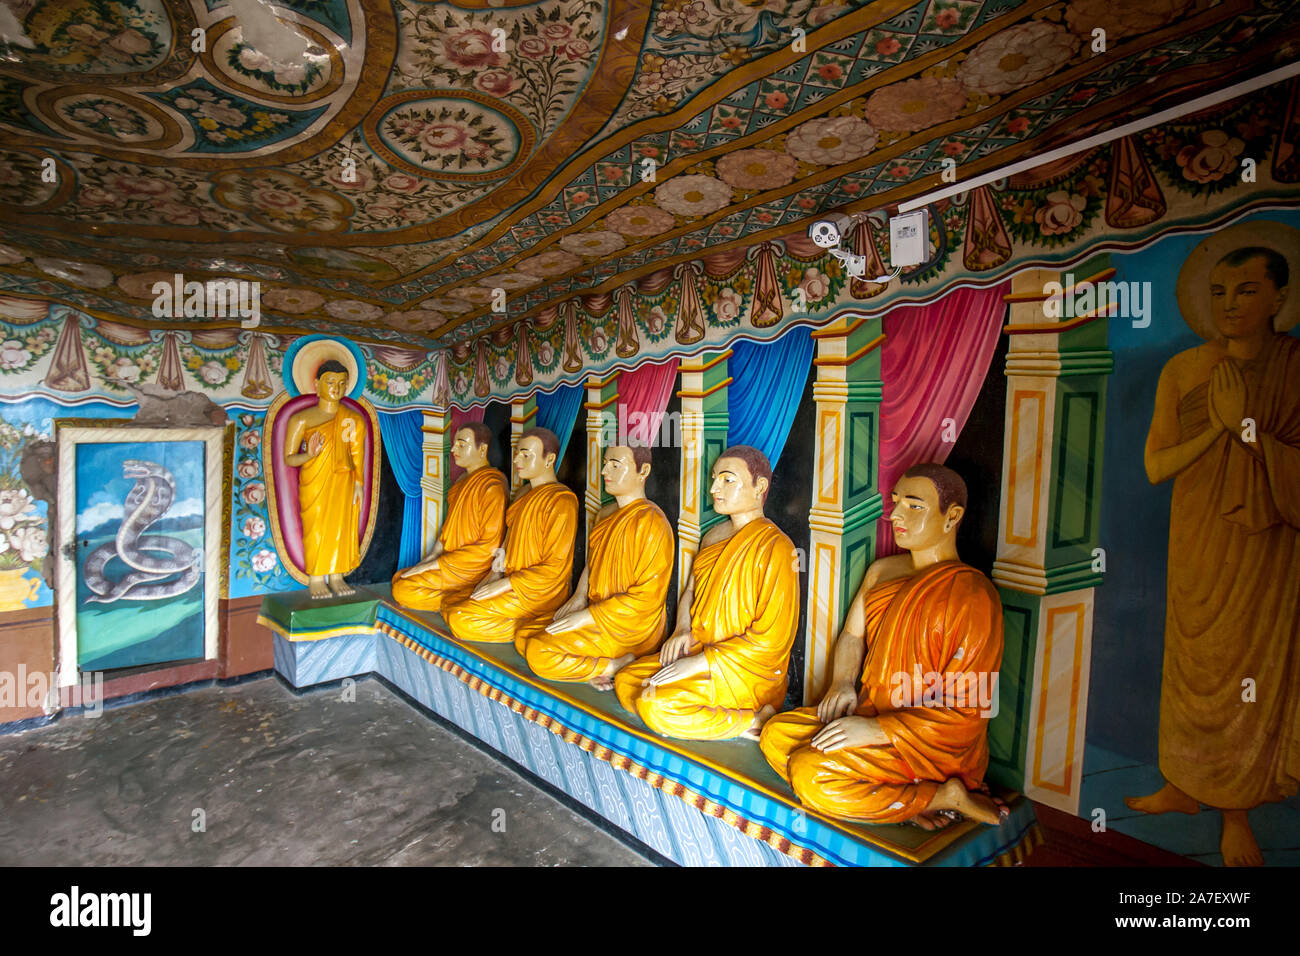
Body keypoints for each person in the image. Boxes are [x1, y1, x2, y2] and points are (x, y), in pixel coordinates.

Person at [1126, 240, 1300, 866]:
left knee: (1245, 669)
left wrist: (1249, 426)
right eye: (1220, 293)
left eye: (1247, 290)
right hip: (1196, 537)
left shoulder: (1295, 369)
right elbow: (1155, 464)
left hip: (1265, 546)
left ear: (1280, 296)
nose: (1230, 305)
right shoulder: (1186, 369)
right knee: (1191, 661)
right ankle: (1182, 784)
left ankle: (1236, 813)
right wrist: (1221, 427)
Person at [760, 464, 1007, 829]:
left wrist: (879, 731)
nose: (896, 515)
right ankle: (915, 801)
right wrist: (843, 682)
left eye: (914, 506)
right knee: (776, 735)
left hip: (926, 743)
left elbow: (968, 710)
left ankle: (942, 792)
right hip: (870, 712)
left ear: (952, 516)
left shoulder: (973, 595)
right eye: (895, 503)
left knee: (809, 773)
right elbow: (853, 635)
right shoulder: (883, 571)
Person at [614, 445, 798, 741]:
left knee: (654, 704)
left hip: (741, 667)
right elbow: (691, 589)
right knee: (627, 682)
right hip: (697, 646)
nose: (714, 488)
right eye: (714, 478)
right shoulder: (713, 535)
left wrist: (702, 662)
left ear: (759, 486)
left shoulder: (777, 547)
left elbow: (772, 641)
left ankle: (749, 718)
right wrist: (682, 629)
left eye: (727, 480)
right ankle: (717, 715)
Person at [523, 443, 674, 689]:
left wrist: (587, 616)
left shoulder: (652, 522)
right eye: (605, 463)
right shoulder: (605, 514)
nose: (605, 471)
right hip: (596, 611)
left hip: (627, 626)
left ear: (643, 471)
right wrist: (580, 596)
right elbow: (594, 563)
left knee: (539, 651)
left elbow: (647, 598)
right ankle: (597, 665)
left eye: (615, 465)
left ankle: (611, 665)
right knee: (525, 635)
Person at [443, 427, 578, 646]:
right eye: (517, 453)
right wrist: (495, 573)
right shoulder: (524, 494)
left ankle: (528, 624)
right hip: (513, 582)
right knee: (450, 603)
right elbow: (509, 541)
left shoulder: (562, 501)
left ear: (549, 459)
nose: (517, 459)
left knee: (461, 618)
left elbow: (554, 568)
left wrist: (502, 585)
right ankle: (524, 624)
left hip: (538, 590)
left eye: (526, 454)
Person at [391, 423, 507, 612]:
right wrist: (429, 559)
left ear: (483, 449)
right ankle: (460, 598)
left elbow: (488, 547)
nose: (454, 449)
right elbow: (448, 530)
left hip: (470, 565)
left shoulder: (492, 486)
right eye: (454, 444)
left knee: (404, 589)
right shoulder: (462, 482)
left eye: (462, 444)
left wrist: (436, 564)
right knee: (400, 578)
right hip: (450, 562)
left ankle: (461, 598)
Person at [282, 360, 366, 599]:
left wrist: (359, 484)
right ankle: (317, 578)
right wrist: (308, 455)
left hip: (344, 480)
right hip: (314, 481)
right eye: (330, 382)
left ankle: (337, 575)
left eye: (341, 383)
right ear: (317, 384)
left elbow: (358, 454)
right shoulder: (302, 419)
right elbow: (289, 458)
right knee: (316, 527)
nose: (336, 388)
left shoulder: (354, 419)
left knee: (341, 527)